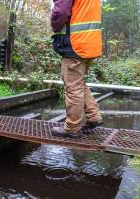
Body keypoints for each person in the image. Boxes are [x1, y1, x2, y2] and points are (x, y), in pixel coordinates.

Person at [50, 0, 103, 138]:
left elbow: (60, 11)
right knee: (77, 83)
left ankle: (72, 127)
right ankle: (94, 116)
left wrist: (54, 26)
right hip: (90, 42)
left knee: (73, 86)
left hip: (76, 43)